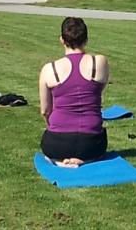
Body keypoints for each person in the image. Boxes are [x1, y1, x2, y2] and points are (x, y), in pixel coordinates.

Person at [38, 16, 109, 166]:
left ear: (62, 40)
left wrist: (52, 127)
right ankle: (83, 159)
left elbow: (45, 110)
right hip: (92, 143)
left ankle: (63, 161)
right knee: (94, 148)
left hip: (56, 143)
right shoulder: (100, 62)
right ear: (86, 39)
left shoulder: (49, 69)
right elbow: (98, 91)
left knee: (50, 147)